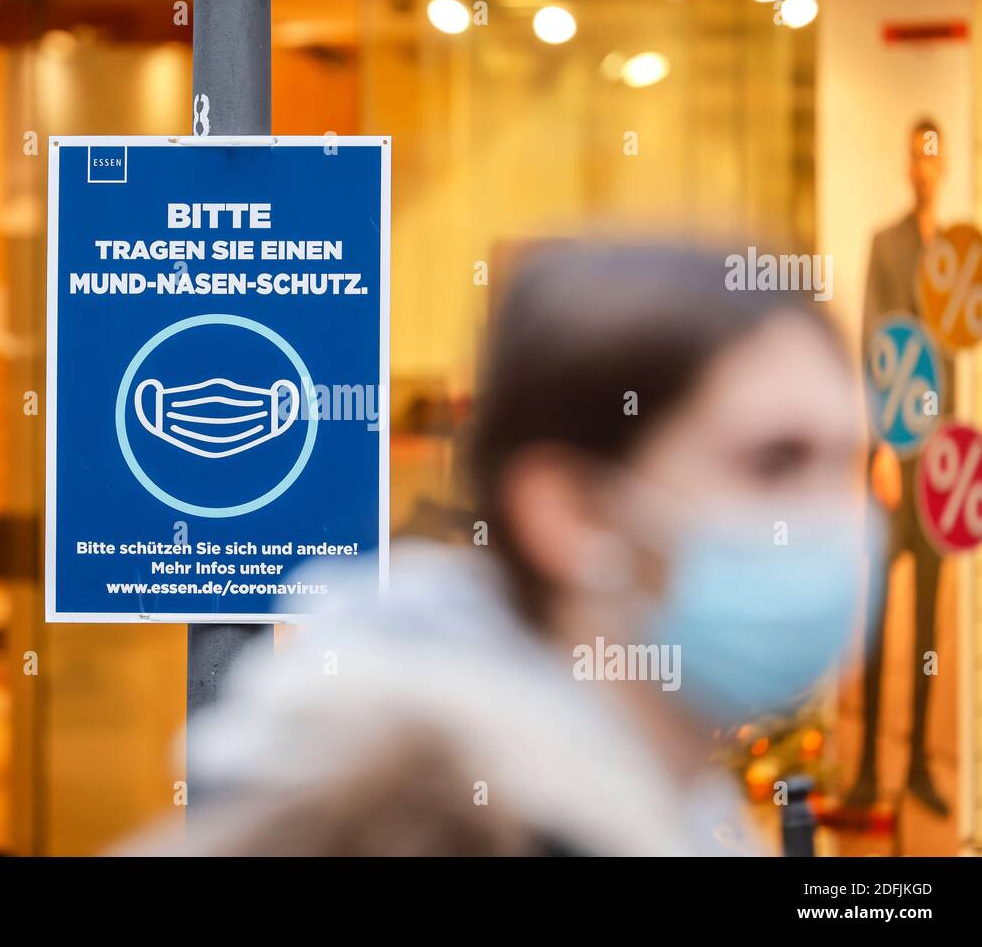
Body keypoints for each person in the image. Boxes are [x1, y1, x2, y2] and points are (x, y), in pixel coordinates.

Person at [134, 239, 882, 856]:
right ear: (572, 509)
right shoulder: (409, 828)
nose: (834, 521)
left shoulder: (666, 812)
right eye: (774, 462)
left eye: (845, 463)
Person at [850, 117, 949, 815]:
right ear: (906, 161)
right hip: (897, 455)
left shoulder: (957, 253)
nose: (924, 165)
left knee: (928, 628)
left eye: (932, 154)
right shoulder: (887, 245)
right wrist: (882, 444)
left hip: (943, 461)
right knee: (881, 613)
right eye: (916, 152)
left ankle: (917, 765)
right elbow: (874, 346)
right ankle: (864, 768)